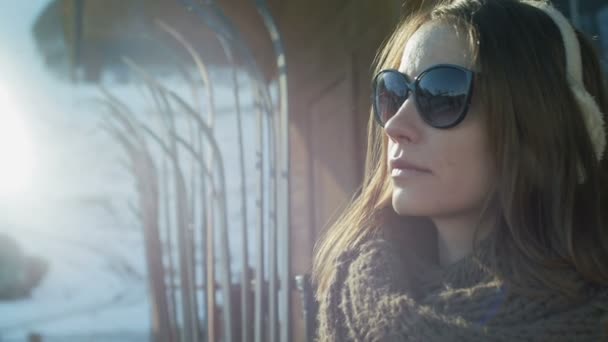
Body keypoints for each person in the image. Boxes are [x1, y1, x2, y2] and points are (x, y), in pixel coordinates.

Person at [312, 0, 608, 340]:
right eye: (394, 92)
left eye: (443, 94)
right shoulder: (348, 304)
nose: (395, 125)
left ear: (539, 130)